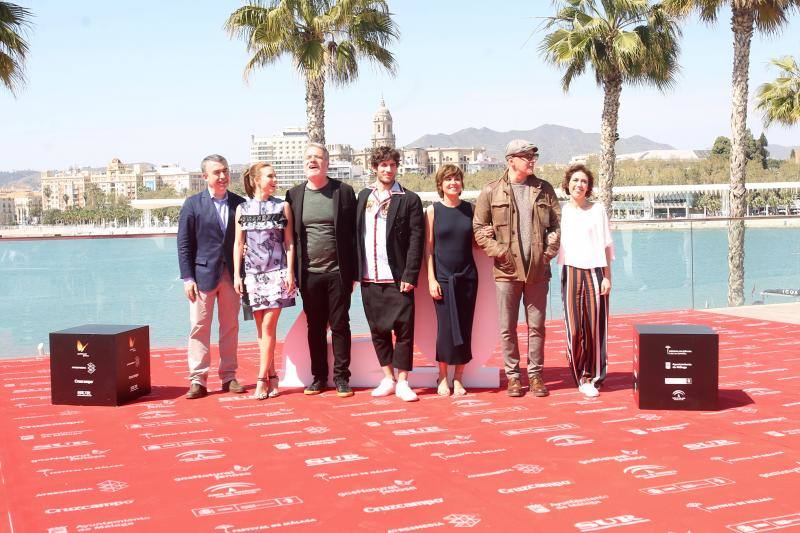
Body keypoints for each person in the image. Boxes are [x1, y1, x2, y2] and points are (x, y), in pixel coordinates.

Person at [473, 140, 561, 398]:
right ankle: (513, 377)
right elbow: (479, 229)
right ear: (511, 160)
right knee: (507, 327)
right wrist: (500, 253)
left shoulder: (544, 189)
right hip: (506, 272)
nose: (532, 160)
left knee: (537, 327)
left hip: (537, 272)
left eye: (534, 155)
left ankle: (535, 376)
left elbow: (556, 226)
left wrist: (547, 255)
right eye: (526, 156)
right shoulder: (491, 191)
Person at [286, 143, 358, 398]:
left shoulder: (344, 192)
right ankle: (318, 377)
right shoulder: (293, 195)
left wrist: (355, 274)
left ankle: (342, 378)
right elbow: (289, 237)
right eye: (308, 157)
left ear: (327, 163)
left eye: (318, 157)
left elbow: (354, 235)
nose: (312, 161)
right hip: (309, 274)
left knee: (340, 325)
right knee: (314, 327)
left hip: (339, 273)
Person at [357, 146, 425, 402]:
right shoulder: (364, 197)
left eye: (392, 165)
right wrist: (356, 272)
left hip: (398, 277)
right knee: (378, 330)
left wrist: (410, 274)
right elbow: (356, 235)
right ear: (374, 167)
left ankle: (404, 381)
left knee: (405, 331)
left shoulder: (409, 199)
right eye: (383, 165)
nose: (388, 169)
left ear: (397, 168)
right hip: (369, 275)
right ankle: (388, 377)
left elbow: (416, 240)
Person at [177, 154, 246, 399]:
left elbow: (245, 240)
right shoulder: (192, 204)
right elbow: (184, 244)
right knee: (199, 328)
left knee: (230, 327)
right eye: (217, 172)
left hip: (232, 277)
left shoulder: (240, 203)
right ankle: (198, 380)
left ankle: (229, 376)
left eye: (225, 171)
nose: (223, 176)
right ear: (205, 176)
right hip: (202, 276)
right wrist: (187, 278)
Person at [232, 162, 297, 400]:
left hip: (276, 274)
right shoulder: (242, 209)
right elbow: (239, 244)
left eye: (275, 176)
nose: (274, 179)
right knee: (261, 330)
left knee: (268, 328)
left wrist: (290, 272)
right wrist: (237, 275)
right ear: (256, 180)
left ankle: (261, 380)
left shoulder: (283, 207)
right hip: (252, 276)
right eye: (270, 176)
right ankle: (272, 376)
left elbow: (289, 242)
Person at [557, 164, 614, 398]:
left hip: (595, 272)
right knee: (574, 328)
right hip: (570, 271)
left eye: (583, 181)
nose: (579, 185)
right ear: (567, 184)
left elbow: (607, 246)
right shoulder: (561, 211)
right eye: (575, 180)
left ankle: (590, 376)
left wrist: (607, 277)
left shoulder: (598, 209)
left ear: (588, 186)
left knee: (594, 327)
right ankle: (577, 371)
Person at [424, 164, 477, 397]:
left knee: (465, 328)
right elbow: (428, 249)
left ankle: (459, 378)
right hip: (443, 279)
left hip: (468, 278)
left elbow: (478, 242)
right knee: (445, 331)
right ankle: (443, 377)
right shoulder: (433, 211)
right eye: (448, 179)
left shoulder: (471, 210)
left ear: (461, 183)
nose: (453, 183)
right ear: (441, 184)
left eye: (456, 178)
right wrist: (431, 278)